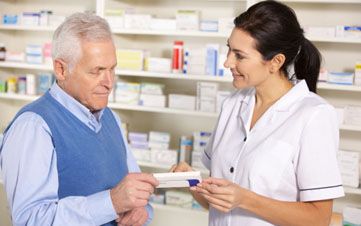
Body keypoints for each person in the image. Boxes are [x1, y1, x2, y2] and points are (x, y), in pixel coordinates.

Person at [171, 1, 344, 225]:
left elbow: (319, 219)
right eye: (228, 49)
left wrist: (245, 199)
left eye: (239, 56)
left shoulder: (313, 115)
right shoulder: (232, 105)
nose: (227, 62)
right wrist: (192, 183)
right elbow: (221, 205)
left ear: (275, 62)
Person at [0, 13, 158, 226]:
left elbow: (135, 193)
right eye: (97, 71)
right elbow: (30, 220)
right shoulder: (34, 127)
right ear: (61, 69)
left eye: (112, 69)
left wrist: (141, 210)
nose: (109, 82)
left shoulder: (111, 119)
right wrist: (111, 202)